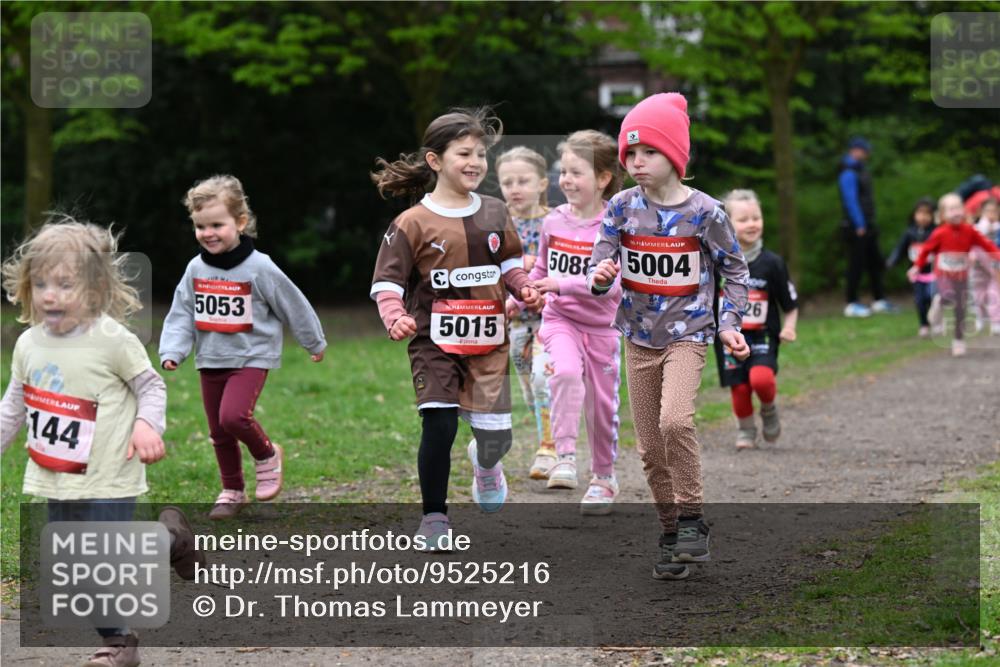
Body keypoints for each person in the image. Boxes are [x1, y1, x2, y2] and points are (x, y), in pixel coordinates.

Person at [0, 218, 201, 667]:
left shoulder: (112, 340)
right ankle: (171, 539)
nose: (50, 294)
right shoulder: (28, 344)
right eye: (41, 283)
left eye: (65, 284)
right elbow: (14, 404)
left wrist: (148, 425)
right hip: (58, 478)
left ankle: (120, 643)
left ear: (94, 289)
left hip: (111, 473)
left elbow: (151, 387)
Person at [587, 93, 750, 580]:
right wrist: (601, 275)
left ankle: (694, 521)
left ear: (676, 155)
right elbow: (600, 261)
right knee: (650, 448)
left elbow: (735, 271)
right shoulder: (620, 207)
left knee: (675, 422)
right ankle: (669, 530)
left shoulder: (707, 212)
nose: (636, 162)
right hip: (637, 337)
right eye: (630, 154)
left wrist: (729, 323)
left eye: (648, 153)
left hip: (690, 334)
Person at [369, 107, 542, 551]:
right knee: (439, 425)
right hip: (434, 343)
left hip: (488, 345)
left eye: (481, 154)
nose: (475, 162)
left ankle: (486, 466)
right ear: (434, 161)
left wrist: (523, 288)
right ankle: (434, 518)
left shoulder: (495, 211)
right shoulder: (411, 224)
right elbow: (386, 283)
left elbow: (509, 266)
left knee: (495, 440)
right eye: (464, 152)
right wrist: (395, 315)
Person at [159, 175, 327, 519]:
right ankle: (232, 490)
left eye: (217, 224)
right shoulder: (195, 269)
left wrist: (313, 340)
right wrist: (173, 350)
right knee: (219, 432)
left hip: (251, 356)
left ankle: (266, 454)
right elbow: (181, 313)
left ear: (240, 222)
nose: (208, 233)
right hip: (210, 358)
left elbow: (292, 303)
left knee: (233, 416)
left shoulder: (259, 267)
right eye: (200, 226)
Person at [523, 130, 624, 513]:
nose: (565, 180)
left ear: (602, 179)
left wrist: (560, 284)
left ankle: (604, 477)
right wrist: (528, 291)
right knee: (563, 373)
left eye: (576, 172)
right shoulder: (553, 221)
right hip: (560, 320)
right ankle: (564, 455)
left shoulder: (614, 226)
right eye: (562, 172)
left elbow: (612, 288)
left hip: (602, 328)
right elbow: (543, 270)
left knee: (601, 407)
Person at [713, 190, 798, 450]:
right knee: (739, 388)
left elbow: (790, 303)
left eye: (756, 217)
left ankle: (769, 409)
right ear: (727, 224)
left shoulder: (773, 263)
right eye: (743, 219)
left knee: (761, 379)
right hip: (729, 338)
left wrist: (789, 327)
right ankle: (746, 430)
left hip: (762, 335)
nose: (752, 224)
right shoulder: (716, 261)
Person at [495, 146, 556, 479]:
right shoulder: (497, 225)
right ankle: (549, 437)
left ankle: (550, 447)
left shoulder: (556, 221)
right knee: (530, 388)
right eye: (507, 182)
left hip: (553, 319)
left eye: (523, 180)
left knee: (541, 379)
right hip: (515, 321)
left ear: (542, 183)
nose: (514, 188)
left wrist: (534, 268)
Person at [909, 192, 1000, 356]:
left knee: (960, 308)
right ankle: (938, 303)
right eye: (951, 209)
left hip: (962, 275)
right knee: (946, 295)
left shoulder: (969, 230)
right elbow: (926, 250)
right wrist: (916, 266)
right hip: (944, 274)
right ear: (943, 214)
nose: (956, 212)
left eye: (958, 207)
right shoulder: (940, 232)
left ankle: (958, 340)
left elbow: (986, 244)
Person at [838, 136, 895, 317]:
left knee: (874, 264)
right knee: (856, 264)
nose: (866, 154)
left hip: (868, 225)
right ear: (855, 150)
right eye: (863, 150)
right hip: (857, 227)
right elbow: (850, 200)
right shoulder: (848, 172)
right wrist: (859, 224)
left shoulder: (861, 170)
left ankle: (879, 299)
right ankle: (851, 302)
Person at [886, 197, 938, 337]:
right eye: (920, 213)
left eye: (927, 213)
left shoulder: (936, 232)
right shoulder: (910, 233)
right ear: (914, 214)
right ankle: (923, 324)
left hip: (934, 272)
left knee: (931, 296)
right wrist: (892, 261)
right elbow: (900, 249)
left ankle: (936, 320)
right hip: (916, 272)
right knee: (919, 300)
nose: (923, 217)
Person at [970, 197, 1000, 335]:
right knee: (979, 294)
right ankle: (981, 316)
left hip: (995, 265)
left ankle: (996, 321)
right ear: (981, 212)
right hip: (977, 265)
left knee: (994, 292)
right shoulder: (977, 228)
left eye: (994, 211)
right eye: (988, 211)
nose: (991, 214)